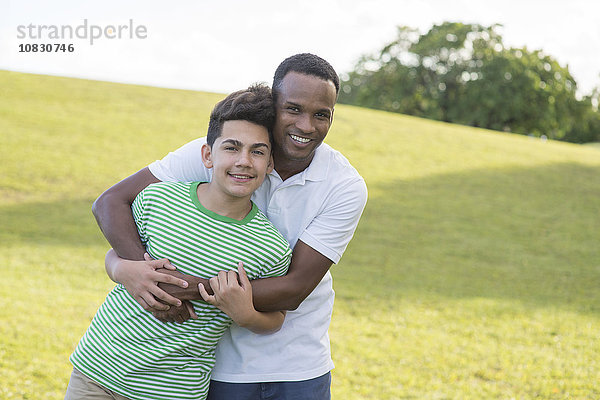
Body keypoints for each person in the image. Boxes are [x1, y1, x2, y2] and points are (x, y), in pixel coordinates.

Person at [93, 53, 368, 399]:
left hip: (298, 364)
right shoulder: (221, 151)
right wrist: (140, 274)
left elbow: (295, 288)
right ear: (273, 103)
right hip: (219, 365)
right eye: (293, 109)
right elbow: (111, 202)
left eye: (322, 115)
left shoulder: (345, 186)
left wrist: (181, 289)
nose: (306, 126)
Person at [65, 84, 292, 400]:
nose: (244, 161)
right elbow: (118, 254)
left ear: (269, 165)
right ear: (207, 155)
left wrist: (245, 315)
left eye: (257, 152)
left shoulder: (271, 247)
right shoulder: (157, 199)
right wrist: (118, 267)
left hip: (173, 390)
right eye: (231, 147)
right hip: (98, 372)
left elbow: (275, 319)